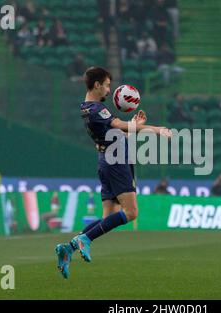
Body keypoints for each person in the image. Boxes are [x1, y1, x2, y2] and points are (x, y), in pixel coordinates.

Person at [54, 67, 172, 279]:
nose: (109, 90)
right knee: (131, 212)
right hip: (116, 162)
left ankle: (68, 249)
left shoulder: (90, 108)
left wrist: (140, 126)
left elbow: (121, 131)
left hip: (108, 160)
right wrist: (154, 130)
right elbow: (119, 125)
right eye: (107, 85)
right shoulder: (96, 109)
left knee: (107, 218)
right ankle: (83, 240)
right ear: (97, 85)